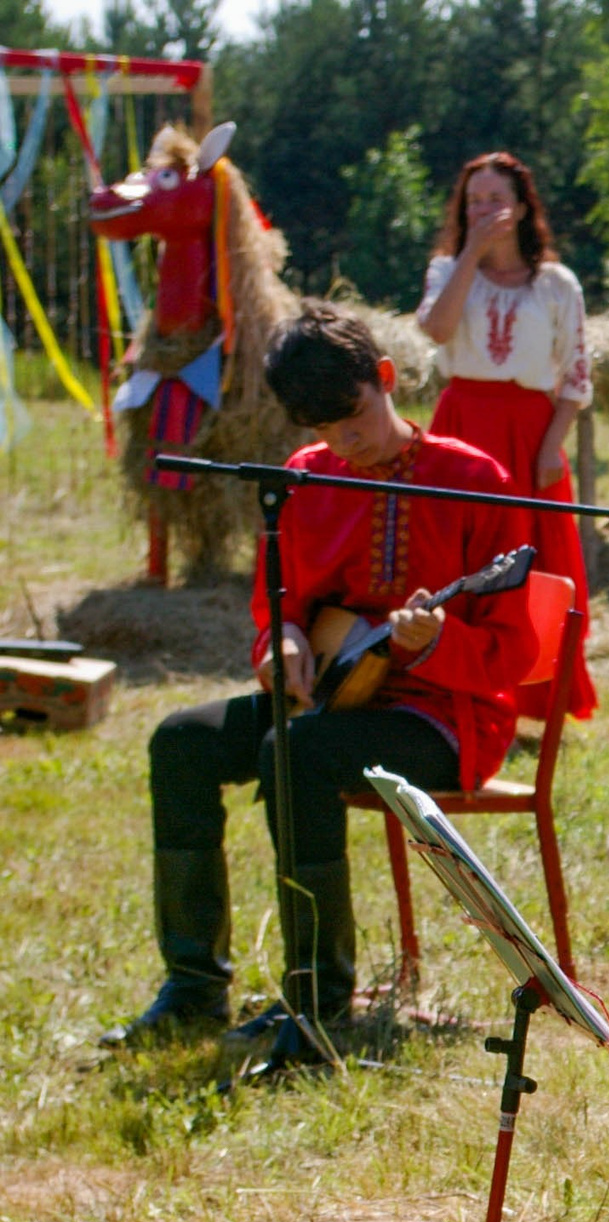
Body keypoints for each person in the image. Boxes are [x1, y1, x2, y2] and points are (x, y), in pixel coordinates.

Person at [104, 306, 534, 1053]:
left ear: (387, 381)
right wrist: (283, 641)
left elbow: (513, 654)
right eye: (325, 431)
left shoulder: (472, 478)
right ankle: (193, 988)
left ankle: (317, 1005)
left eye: (355, 418)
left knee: (298, 752)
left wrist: (436, 643)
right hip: (333, 698)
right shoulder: (304, 478)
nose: (346, 442)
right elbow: (278, 603)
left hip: (444, 720)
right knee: (180, 742)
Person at [416, 151, 594, 723]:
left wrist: (551, 445)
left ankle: (539, 696)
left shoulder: (556, 284)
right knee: (460, 558)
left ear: (520, 208)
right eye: (474, 201)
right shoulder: (447, 272)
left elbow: (577, 373)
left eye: (496, 199)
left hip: (529, 430)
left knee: (537, 561)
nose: (486, 209)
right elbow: (436, 330)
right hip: (463, 424)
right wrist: (470, 252)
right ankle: (463, 691)